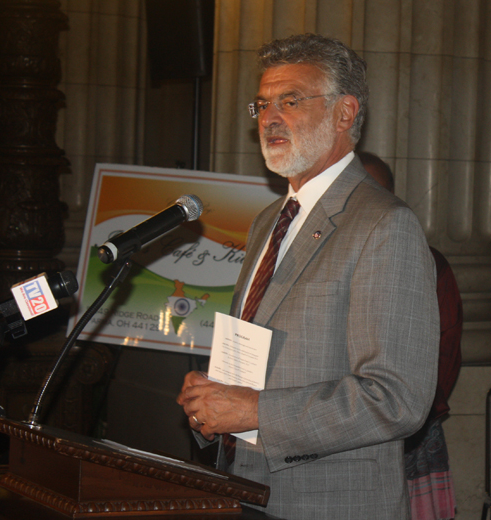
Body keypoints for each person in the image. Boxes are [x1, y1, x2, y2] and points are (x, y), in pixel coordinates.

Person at [177, 33, 440, 520]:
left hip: (331, 503)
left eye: (291, 100)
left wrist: (254, 411)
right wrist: (214, 400)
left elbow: (397, 398)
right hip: (243, 490)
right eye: (262, 105)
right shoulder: (268, 221)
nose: (270, 117)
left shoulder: (383, 225)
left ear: (344, 113)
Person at [358, 151, 462, 520]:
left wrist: (414, 416)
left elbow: (445, 351)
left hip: (408, 430)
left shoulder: (426, 261)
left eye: (374, 193)